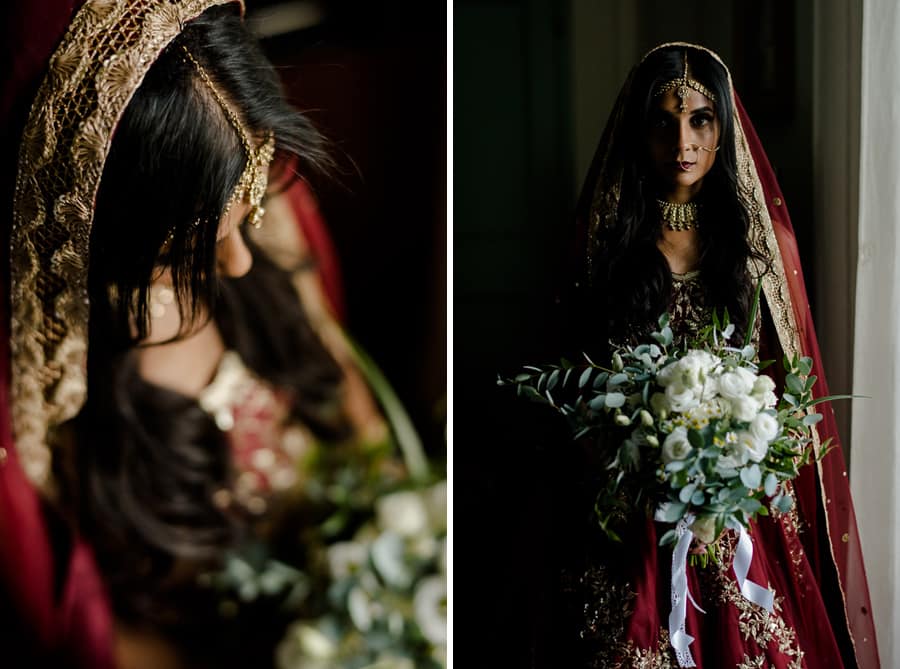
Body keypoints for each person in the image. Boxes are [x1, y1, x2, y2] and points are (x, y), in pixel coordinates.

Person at [1, 1, 388, 667]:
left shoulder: (267, 219)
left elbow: (358, 418)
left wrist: (411, 559)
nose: (239, 262)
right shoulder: (46, 403)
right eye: (181, 251)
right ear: (92, 239)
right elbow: (103, 637)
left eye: (251, 207)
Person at [558, 43, 879, 668]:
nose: (683, 139)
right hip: (634, 499)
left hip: (738, 502)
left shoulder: (761, 248)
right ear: (639, 131)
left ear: (723, 128)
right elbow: (582, 385)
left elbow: (786, 385)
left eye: (700, 119)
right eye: (664, 121)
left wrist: (740, 457)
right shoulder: (609, 247)